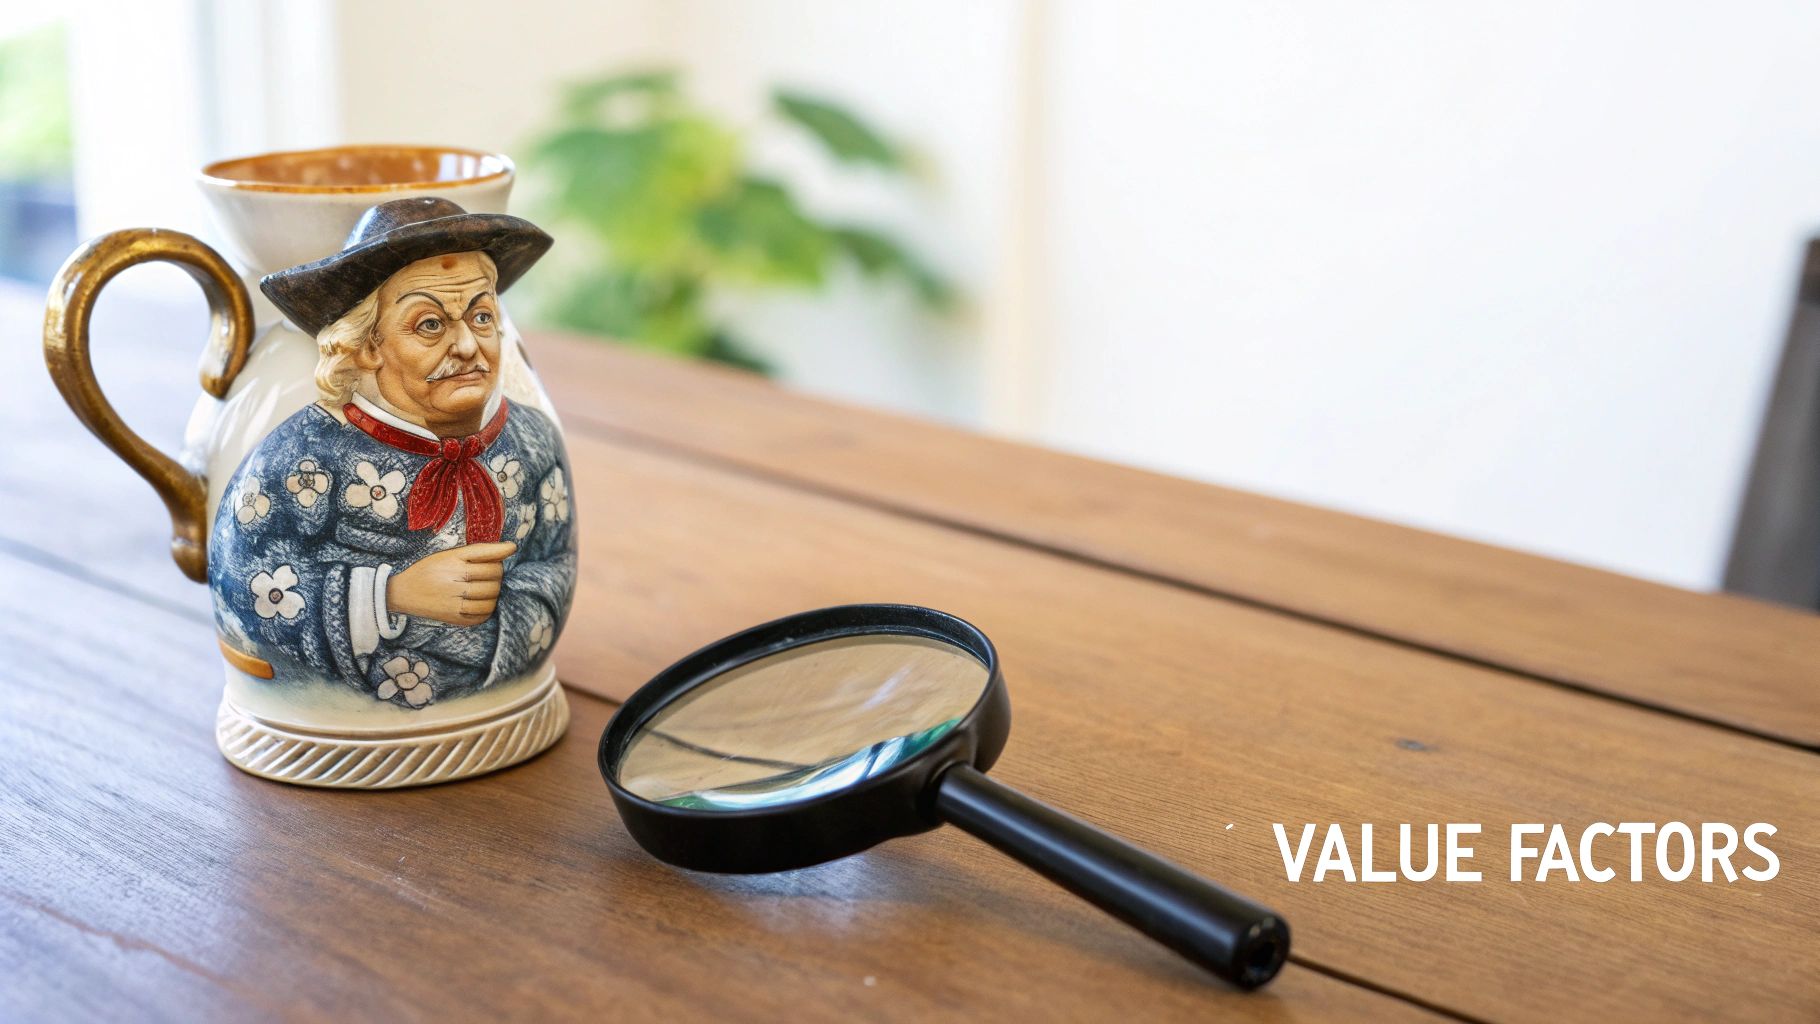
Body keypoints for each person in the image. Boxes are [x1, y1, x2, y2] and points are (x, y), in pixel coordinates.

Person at [210, 197, 574, 709]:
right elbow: (243, 585)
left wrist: (500, 612)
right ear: (368, 346)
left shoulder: (532, 441)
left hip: (506, 709)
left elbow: (556, 564)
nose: (469, 345)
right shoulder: (299, 459)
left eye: (483, 315)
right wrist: (390, 595)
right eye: (430, 324)